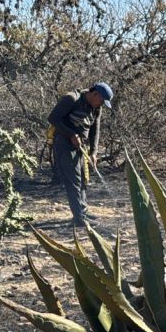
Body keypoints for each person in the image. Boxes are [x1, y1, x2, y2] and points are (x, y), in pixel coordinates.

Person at [48, 82, 113, 227]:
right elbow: (53, 118)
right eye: (101, 101)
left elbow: (95, 129)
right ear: (95, 94)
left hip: (80, 146)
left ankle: (82, 211)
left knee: (83, 178)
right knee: (74, 180)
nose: (101, 105)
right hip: (64, 144)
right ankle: (79, 218)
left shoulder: (96, 107)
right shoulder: (72, 99)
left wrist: (94, 152)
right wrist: (71, 134)